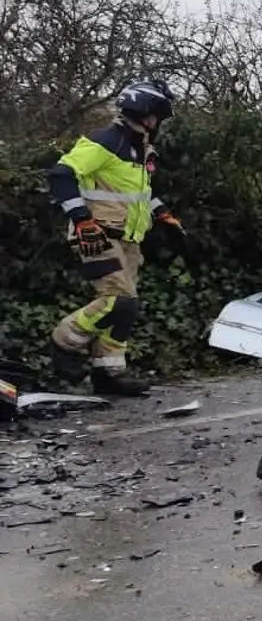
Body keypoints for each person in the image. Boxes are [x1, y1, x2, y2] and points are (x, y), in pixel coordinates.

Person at [44, 79, 183, 397]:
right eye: (157, 116)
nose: (158, 123)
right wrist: (81, 221)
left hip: (129, 240)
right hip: (97, 234)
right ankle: (63, 343)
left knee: (126, 308)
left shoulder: (141, 149)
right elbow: (61, 174)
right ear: (144, 112)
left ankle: (108, 373)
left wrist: (164, 215)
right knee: (118, 300)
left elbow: (139, 194)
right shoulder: (106, 141)